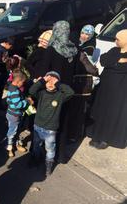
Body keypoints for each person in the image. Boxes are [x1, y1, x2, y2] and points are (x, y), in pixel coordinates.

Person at [42, 20, 78, 164]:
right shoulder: (74, 49)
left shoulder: (52, 49)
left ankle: (44, 156)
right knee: (63, 122)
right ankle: (61, 156)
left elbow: (45, 69)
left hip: (52, 91)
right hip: (67, 91)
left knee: (48, 123)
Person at [29, 71, 74, 176]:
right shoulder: (41, 94)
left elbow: (70, 92)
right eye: (48, 81)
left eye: (53, 82)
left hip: (51, 129)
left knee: (50, 148)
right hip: (38, 126)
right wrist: (42, 80)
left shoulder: (60, 96)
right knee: (36, 145)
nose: (50, 83)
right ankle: (36, 159)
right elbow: (31, 90)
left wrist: (57, 83)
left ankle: (48, 165)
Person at [89, 29, 127, 149]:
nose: (115, 41)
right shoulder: (114, 50)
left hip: (119, 91)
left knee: (111, 114)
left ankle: (106, 138)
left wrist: (117, 62)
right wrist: (118, 60)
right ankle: (95, 135)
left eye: (118, 39)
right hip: (105, 88)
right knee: (101, 111)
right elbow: (104, 60)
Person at [68, 25, 98, 141]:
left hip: (79, 80)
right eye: (83, 33)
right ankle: (73, 134)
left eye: (87, 35)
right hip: (78, 82)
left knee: (77, 109)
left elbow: (88, 64)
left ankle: (74, 134)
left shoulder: (89, 47)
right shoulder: (78, 45)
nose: (84, 36)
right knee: (77, 109)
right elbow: (92, 69)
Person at [5, 70, 30, 157]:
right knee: (12, 131)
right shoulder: (15, 91)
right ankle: (9, 147)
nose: (23, 84)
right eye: (22, 82)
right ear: (18, 81)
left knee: (17, 129)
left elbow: (8, 100)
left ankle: (17, 144)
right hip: (14, 115)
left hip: (12, 113)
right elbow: (18, 105)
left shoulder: (11, 87)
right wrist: (26, 101)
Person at [0, 38, 14, 108]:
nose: (10, 48)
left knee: (0, 88)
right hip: (0, 72)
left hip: (4, 71)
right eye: (10, 46)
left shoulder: (5, 49)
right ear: (7, 44)